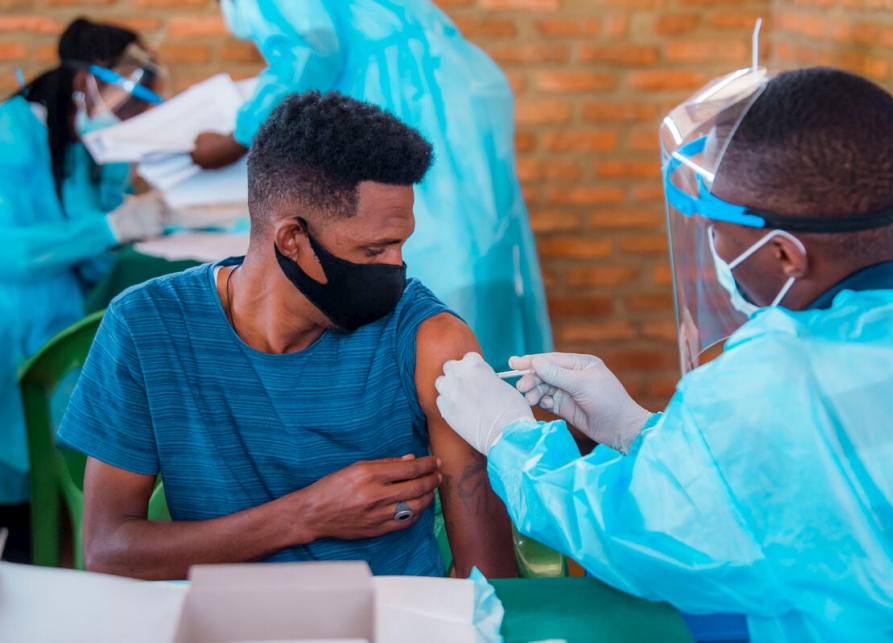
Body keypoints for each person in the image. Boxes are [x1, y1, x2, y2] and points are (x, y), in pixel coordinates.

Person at [435, 67, 893, 642]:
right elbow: (809, 482)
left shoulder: (773, 371)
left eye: (717, 229)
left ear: (786, 255)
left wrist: (511, 439)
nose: (714, 248)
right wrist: (635, 429)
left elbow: (645, 534)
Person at [57, 91, 517, 581]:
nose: (397, 269)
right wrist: (307, 514)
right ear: (292, 241)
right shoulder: (146, 327)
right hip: (221, 625)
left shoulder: (430, 340)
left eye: (401, 245)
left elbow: (487, 577)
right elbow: (108, 548)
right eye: (374, 249)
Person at [190, 0, 552, 372]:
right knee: (470, 254)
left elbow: (312, 48)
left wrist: (239, 136)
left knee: (403, 256)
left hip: (402, 92)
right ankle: (481, 394)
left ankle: (436, 388)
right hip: (454, 87)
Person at [0, 18, 168, 545]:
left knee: (55, 482)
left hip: (60, 331)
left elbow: (96, 254)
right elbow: (11, 251)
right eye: (129, 103)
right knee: (18, 488)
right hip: (15, 331)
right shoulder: (11, 135)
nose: (131, 120)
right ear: (85, 84)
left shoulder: (77, 146)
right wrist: (110, 226)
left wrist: (130, 222)